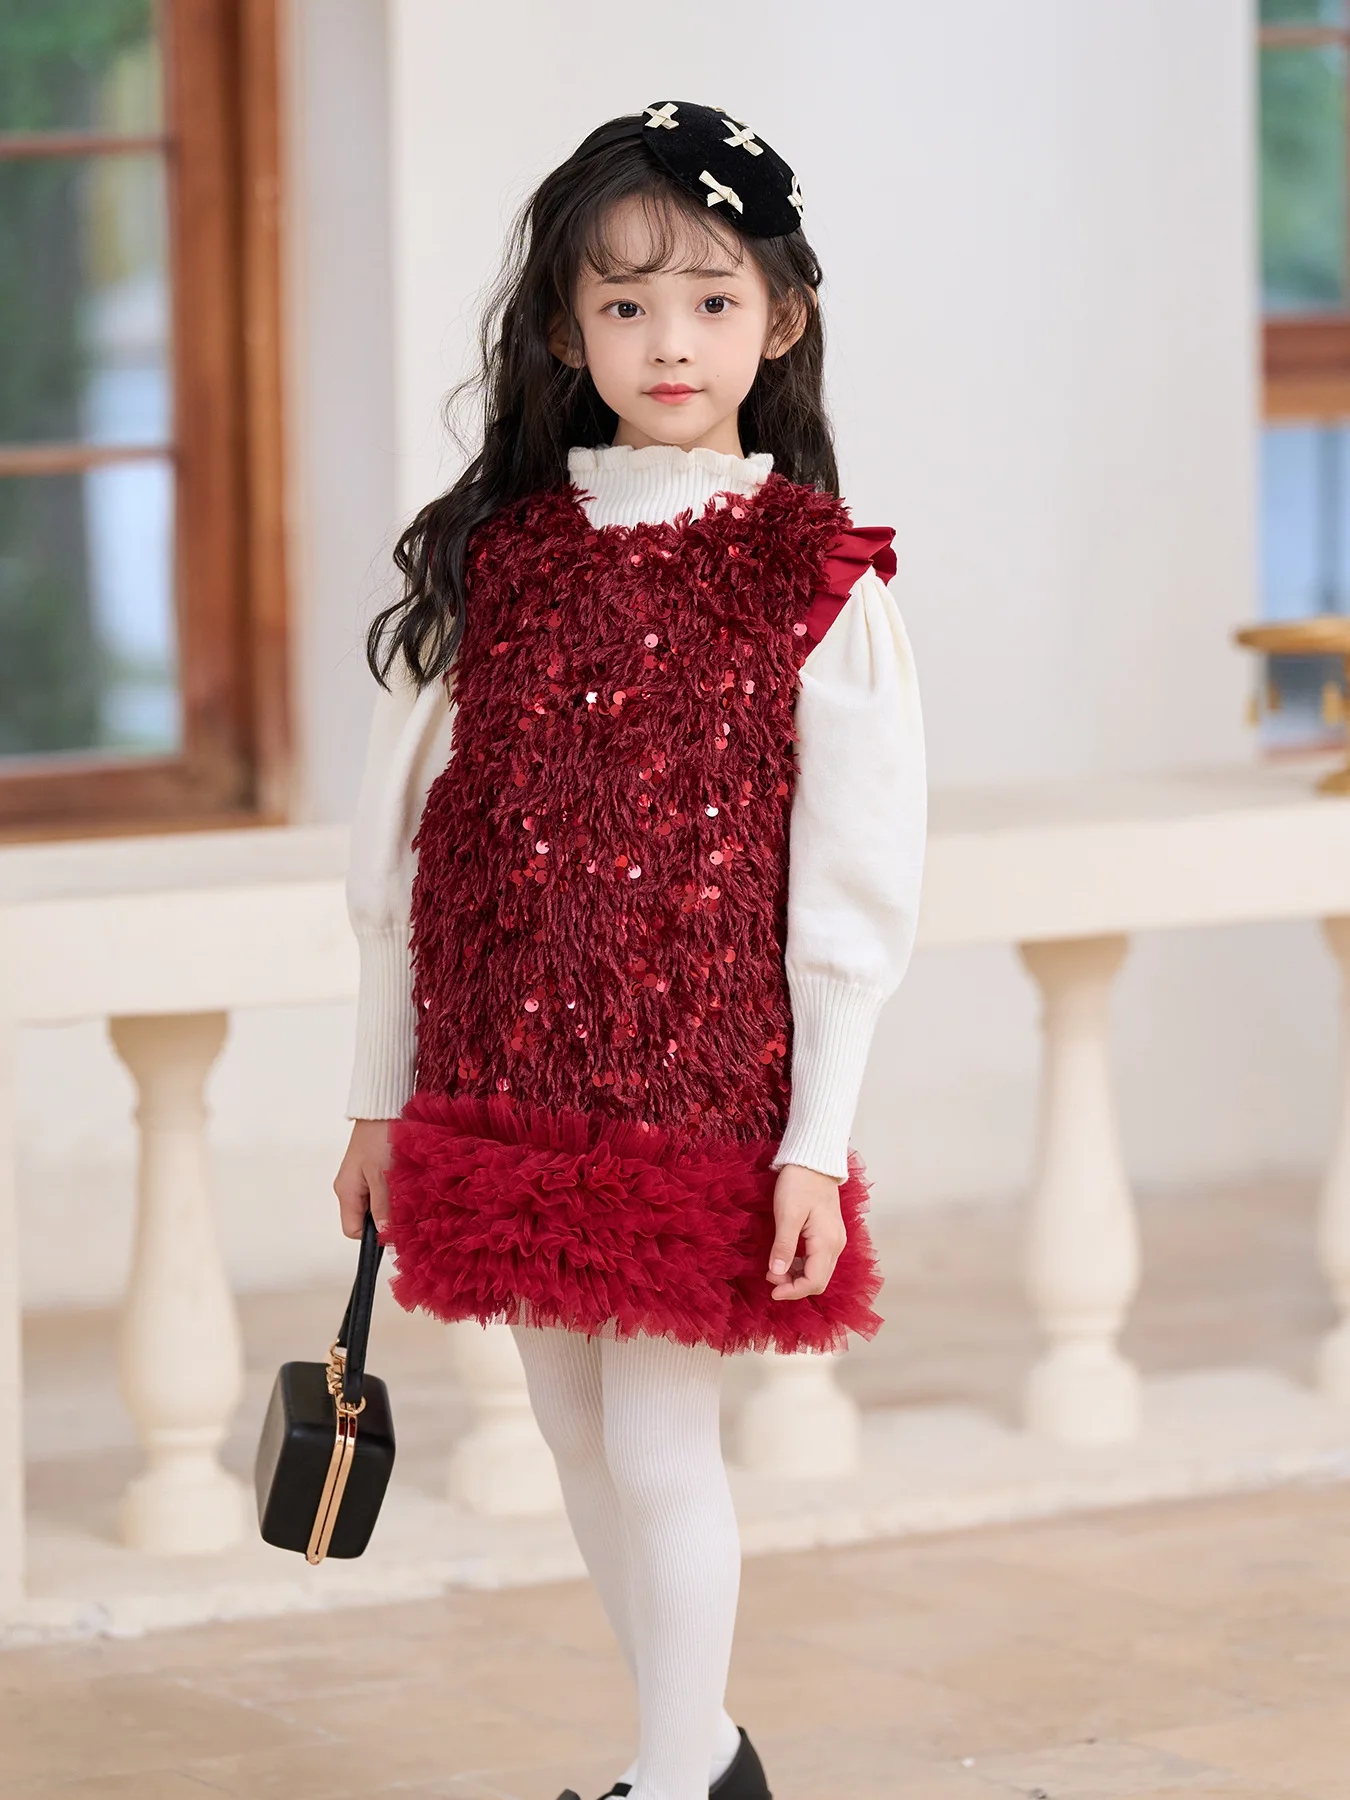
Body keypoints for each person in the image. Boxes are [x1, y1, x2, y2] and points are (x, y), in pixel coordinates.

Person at [334, 101, 926, 1800]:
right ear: (560, 331)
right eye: (623, 304)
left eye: (712, 300)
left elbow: (854, 895)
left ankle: (677, 1781)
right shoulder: (498, 564)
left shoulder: (815, 577)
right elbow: (395, 862)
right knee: (571, 1431)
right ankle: (702, 1755)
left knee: (659, 1440)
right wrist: (378, 1099)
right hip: (500, 1079)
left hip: (693, 1090)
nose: (670, 342)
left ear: (781, 319)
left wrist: (814, 1141)